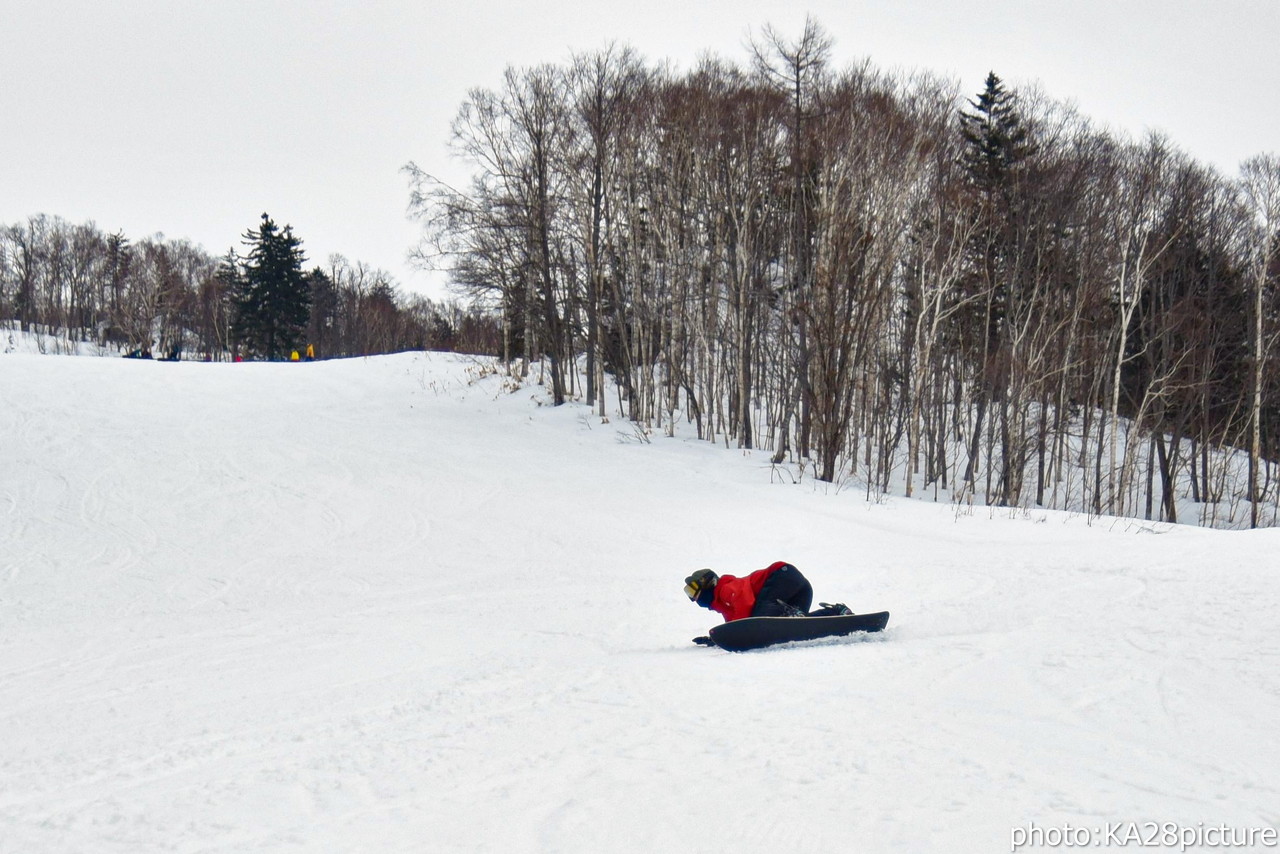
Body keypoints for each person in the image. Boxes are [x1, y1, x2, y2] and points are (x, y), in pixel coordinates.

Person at [684, 562, 852, 622]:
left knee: (760, 616)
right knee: (796, 624)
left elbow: (745, 606)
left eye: (692, 590)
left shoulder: (726, 588)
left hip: (781, 576)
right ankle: (836, 612)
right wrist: (719, 640)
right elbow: (734, 627)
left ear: (707, 583)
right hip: (800, 588)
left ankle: (788, 614)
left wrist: (736, 633)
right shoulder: (725, 606)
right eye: (689, 593)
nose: (693, 598)